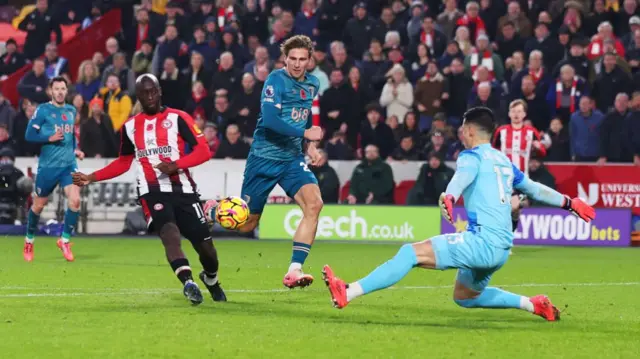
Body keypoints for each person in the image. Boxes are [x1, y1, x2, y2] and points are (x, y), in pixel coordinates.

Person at [322, 107, 596, 321]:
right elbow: (534, 189)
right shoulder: (504, 161)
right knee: (465, 296)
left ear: (471, 131)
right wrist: (569, 202)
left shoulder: (471, 156)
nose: (461, 134)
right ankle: (533, 304)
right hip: (501, 250)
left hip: (482, 243)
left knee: (409, 253)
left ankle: (349, 291)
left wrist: (451, 195)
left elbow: (462, 177)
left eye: (463, 130)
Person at [71, 74, 226, 305]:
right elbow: (123, 162)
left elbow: (203, 151)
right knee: (169, 234)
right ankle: (188, 282)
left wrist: (176, 165)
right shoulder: (130, 127)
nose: (150, 96)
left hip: (183, 189)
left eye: (153, 91)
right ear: (139, 96)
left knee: (207, 250)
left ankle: (210, 279)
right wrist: (91, 177)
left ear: (160, 91)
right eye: (145, 93)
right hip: (151, 191)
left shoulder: (178, 118)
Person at [205, 35, 323, 289]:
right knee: (247, 225)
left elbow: (303, 118)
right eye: (292, 58)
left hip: (291, 159)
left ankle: (294, 270)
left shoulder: (312, 84)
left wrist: (311, 146)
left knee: (314, 205)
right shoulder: (275, 81)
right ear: (285, 58)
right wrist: (305, 135)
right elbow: (271, 120)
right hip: (264, 158)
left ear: (309, 60)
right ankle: (212, 210)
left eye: (302, 59)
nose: (297, 64)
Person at [23, 76, 85, 262]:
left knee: (75, 201)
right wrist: (48, 138)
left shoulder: (71, 110)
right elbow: (29, 134)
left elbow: (71, 136)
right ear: (51, 91)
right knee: (38, 206)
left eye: (62, 89)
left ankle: (64, 241)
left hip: (68, 165)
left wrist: (76, 150)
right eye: (56, 89)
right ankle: (29, 240)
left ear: (67, 91)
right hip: (48, 167)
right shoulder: (43, 110)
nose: (59, 92)